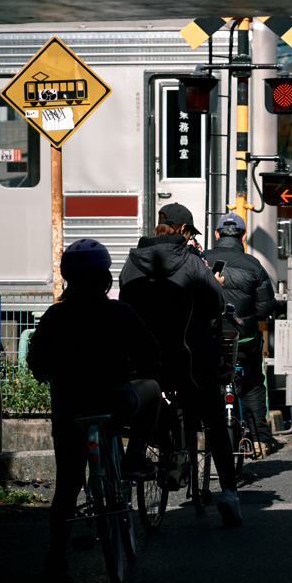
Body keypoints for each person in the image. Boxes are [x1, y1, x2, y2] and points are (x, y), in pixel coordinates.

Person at [27, 239, 163, 581]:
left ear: (68, 277)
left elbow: (37, 364)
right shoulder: (120, 312)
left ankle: (56, 560)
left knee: (67, 486)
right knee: (153, 389)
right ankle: (134, 456)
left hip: (70, 410)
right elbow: (150, 353)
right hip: (116, 402)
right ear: (105, 277)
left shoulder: (56, 315)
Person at [118, 202, 243, 526]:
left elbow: (125, 307)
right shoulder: (190, 261)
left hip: (145, 362)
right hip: (188, 360)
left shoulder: (131, 263)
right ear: (185, 231)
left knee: (151, 399)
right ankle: (229, 492)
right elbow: (215, 302)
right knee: (214, 418)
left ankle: (160, 459)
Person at [204, 211, 277, 458]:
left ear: (216, 235)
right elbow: (264, 309)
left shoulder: (201, 261)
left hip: (211, 341)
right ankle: (259, 442)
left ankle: (203, 440)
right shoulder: (254, 266)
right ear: (243, 236)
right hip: (244, 340)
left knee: (207, 384)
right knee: (254, 385)